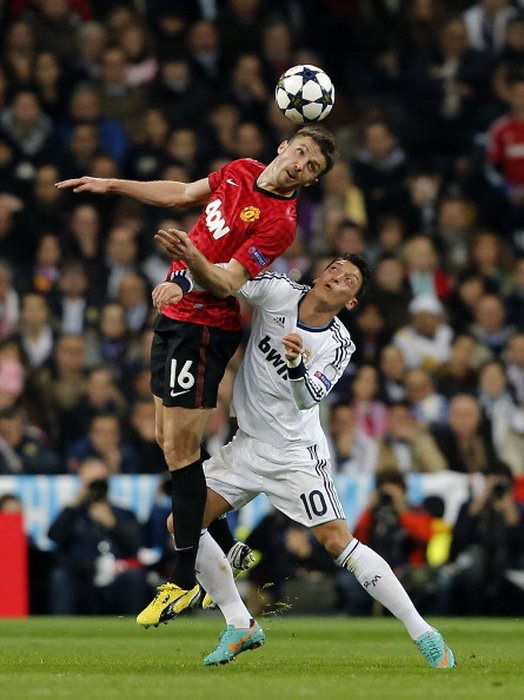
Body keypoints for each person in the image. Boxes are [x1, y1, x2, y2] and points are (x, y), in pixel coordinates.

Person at [55, 124, 338, 614]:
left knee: (182, 451)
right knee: (167, 441)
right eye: (300, 152)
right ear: (283, 147)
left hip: (205, 326)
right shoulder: (241, 169)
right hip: (175, 315)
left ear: (312, 180)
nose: (300, 166)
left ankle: (183, 576)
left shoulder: (280, 221)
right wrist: (113, 184)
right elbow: (183, 193)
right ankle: (228, 547)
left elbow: (228, 282)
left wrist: (187, 275)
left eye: (312, 166)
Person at [147, 248, 455, 669]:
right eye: (334, 269)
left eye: (348, 280)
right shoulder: (277, 291)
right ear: (319, 275)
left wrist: (295, 364)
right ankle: (240, 623)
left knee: (337, 542)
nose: (337, 277)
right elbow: (224, 278)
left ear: (351, 302)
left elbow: (309, 396)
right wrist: (180, 282)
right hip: (247, 445)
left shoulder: (338, 343)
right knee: (181, 522)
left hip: (295, 455)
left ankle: (424, 633)